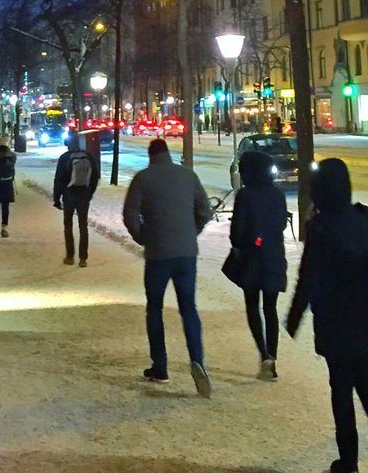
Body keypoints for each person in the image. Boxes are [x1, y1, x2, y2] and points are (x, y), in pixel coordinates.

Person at [286, 157, 368, 473]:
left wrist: (294, 318)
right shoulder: (364, 216)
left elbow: (306, 278)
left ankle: (349, 465)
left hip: (336, 322)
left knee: (341, 391)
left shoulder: (320, 228)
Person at [122, 136, 213, 396]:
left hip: (158, 254)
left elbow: (129, 215)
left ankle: (160, 366)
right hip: (186, 253)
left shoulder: (142, 178)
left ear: (151, 156)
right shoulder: (188, 176)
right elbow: (204, 210)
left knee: (155, 308)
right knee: (189, 308)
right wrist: (191, 232)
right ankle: (197, 360)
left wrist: (144, 237)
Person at [230, 149, 288, 378]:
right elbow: (281, 225)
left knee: (253, 307)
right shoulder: (277, 195)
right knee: (270, 308)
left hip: (251, 260)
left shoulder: (245, 196)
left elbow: (237, 232)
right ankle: (272, 357)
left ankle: (263, 354)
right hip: (273, 257)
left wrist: (244, 244)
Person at [53, 135, 100, 267]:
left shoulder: (64, 158)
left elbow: (59, 179)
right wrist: (90, 192)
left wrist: (57, 198)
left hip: (69, 194)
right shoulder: (88, 157)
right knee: (83, 226)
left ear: (68, 145)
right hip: (84, 194)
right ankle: (83, 258)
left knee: (68, 226)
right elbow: (95, 177)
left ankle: (70, 256)